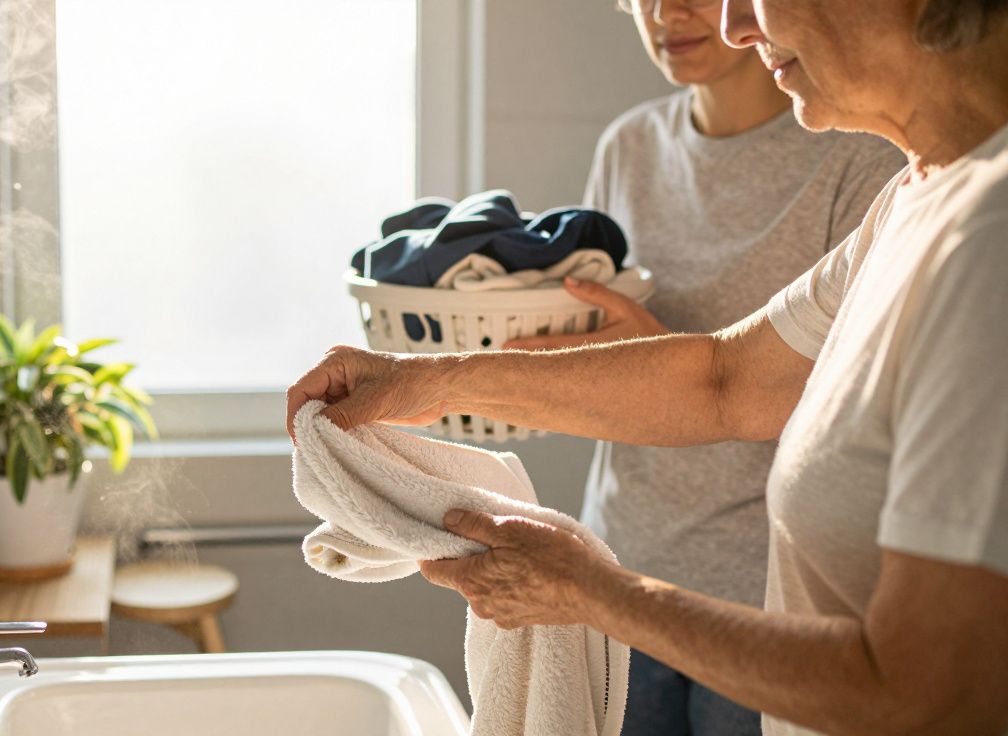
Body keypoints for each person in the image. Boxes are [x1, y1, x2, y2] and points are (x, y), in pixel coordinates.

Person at [286, 0, 1008, 732]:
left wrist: (594, 593)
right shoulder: (916, 198)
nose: (737, 27)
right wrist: (424, 378)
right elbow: (724, 380)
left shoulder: (991, 235)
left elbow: (928, 691)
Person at [502, 0, 902, 729]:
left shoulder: (862, 157)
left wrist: (655, 352)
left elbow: (853, 420)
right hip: (619, 570)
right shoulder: (630, 146)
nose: (665, 14)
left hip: (766, 601)